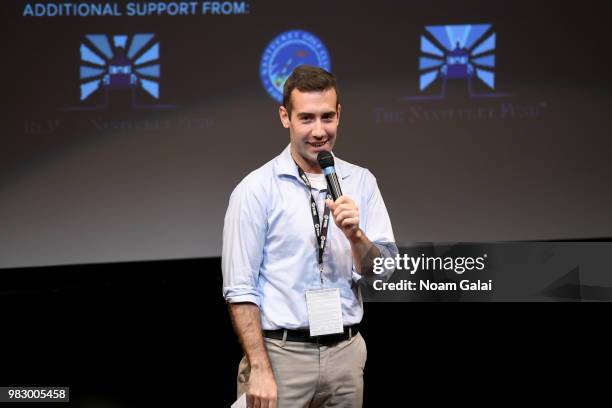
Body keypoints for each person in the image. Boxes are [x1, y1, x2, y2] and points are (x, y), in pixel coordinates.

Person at [222, 65, 397, 408]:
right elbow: (240, 288)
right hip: (281, 356)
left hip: (345, 355)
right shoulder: (256, 189)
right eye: (307, 118)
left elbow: (384, 272)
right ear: (285, 117)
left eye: (327, 117)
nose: (319, 131)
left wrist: (356, 236)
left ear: (339, 114)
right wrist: (258, 367)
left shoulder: (361, 181)